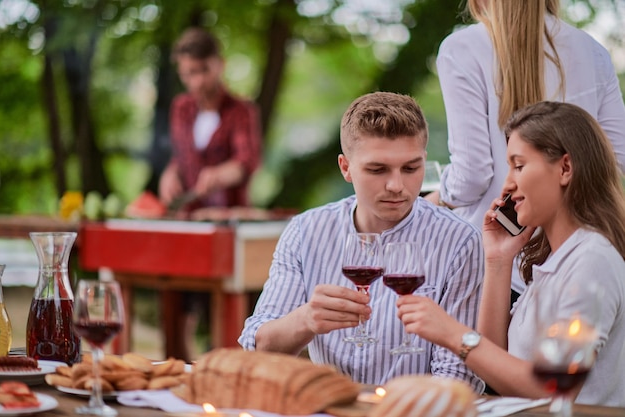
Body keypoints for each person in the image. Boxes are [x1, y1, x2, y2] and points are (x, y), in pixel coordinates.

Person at [239, 92, 485, 392]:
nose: (397, 186)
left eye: (411, 168)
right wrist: (305, 320)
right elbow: (257, 350)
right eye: (377, 170)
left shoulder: (459, 242)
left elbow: (458, 378)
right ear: (346, 167)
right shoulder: (306, 232)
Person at [403, 101, 625, 406]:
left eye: (518, 166)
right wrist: (497, 260)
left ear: (565, 168)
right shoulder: (557, 261)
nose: (507, 184)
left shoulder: (593, 261)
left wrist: (454, 334)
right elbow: (496, 364)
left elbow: (555, 388)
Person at [426, 0, 625, 300]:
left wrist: (437, 199)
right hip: (577, 255)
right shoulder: (591, 50)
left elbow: (473, 175)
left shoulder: (461, 49)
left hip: (494, 263)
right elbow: (615, 159)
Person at [159, 27, 262, 361]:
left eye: (202, 71)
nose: (197, 81)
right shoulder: (181, 108)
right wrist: (170, 173)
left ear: (219, 65)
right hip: (187, 222)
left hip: (229, 224)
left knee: (225, 303)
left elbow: (247, 162)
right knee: (180, 298)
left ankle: (226, 368)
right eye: (188, 73)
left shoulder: (241, 110)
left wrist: (219, 175)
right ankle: (180, 369)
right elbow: (182, 155)